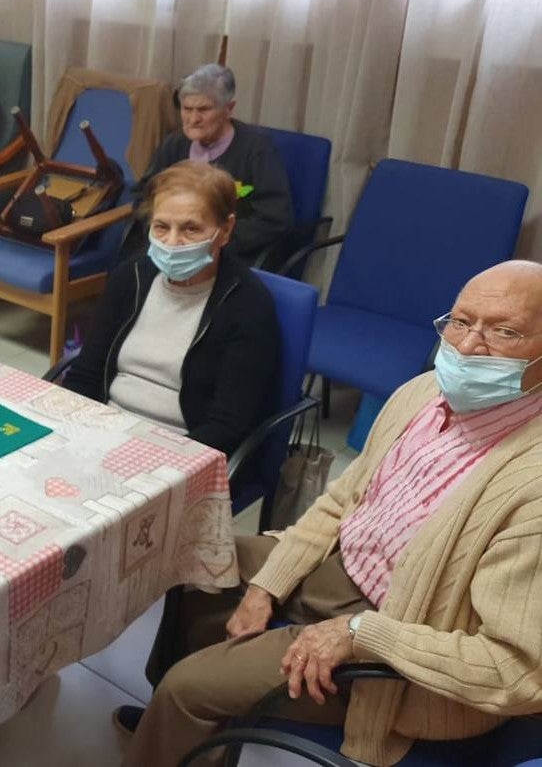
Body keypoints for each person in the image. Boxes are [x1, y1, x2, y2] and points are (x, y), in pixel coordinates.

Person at [116, 259, 542, 767]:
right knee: (197, 567)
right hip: (341, 569)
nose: (469, 346)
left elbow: (518, 672)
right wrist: (269, 582)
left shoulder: (531, 486)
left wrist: (362, 635)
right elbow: (344, 501)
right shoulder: (422, 394)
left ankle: (183, 709)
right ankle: (182, 731)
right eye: (460, 321)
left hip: (398, 638)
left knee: (188, 689)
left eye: (505, 332)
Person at [62, 160, 280, 457]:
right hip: (104, 429)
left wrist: (150, 459)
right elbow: (85, 375)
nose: (173, 243)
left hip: (181, 450)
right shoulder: (131, 278)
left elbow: (227, 427)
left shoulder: (247, 306)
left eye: (191, 229)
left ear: (225, 230)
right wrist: (72, 431)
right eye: (162, 227)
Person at [136, 64, 293, 267]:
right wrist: (164, 233)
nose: (193, 119)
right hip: (168, 248)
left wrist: (211, 241)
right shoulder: (174, 144)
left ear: (228, 109)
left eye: (203, 109)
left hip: (230, 255)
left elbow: (275, 219)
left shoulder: (257, 150)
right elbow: (144, 195)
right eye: (187, 109)